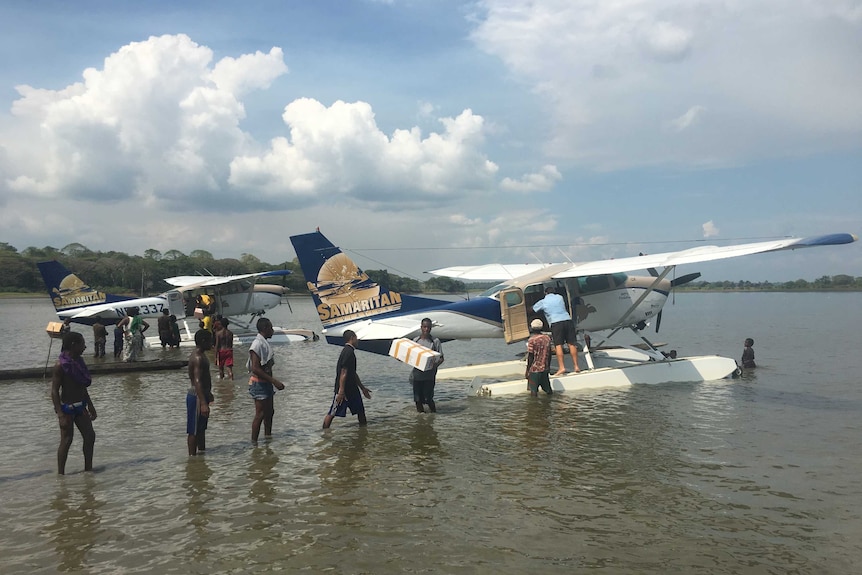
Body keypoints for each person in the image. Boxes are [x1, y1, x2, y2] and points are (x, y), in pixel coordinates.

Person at [51, 331, 97, 474]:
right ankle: (61, 475)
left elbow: (82, 385)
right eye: (82, 344)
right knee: (67, 440)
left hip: (80, 405)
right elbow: (54, 391)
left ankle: (88, 470)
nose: (84, 347)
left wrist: (90, 405)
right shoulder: (60, 365)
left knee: (90, 436)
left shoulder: (79, 362)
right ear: (73, 345)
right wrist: (60, 414)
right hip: (67, 409)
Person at [323, 330, 372, 429]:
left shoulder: (350, 352)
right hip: (344, 391)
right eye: (356, 338)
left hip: (352, 389)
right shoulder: (348, 352)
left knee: (360, 411)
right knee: (332, 412)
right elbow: (343, 372)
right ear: (352, 338)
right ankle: (324, 432)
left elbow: (352, 373)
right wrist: (341, 391)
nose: (357, 340)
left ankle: (363, 433)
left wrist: (362, 388)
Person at [247, 317, 285, 442]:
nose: (272, 330)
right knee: (260, 415)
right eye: (270, 328)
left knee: (269, 412)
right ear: (265, 329)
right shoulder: (257, 344)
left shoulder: (263, 342)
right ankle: (254, 443)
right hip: (259, 384)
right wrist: (275, 381)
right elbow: (255, 368)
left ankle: (268, 439)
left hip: (266, 384)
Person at [532, 286, 580, 375]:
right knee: (571, 344)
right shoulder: (560, 297)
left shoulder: (543, 301)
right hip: (567, 320)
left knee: (558, 345)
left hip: (556, 323)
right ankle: (576, 366)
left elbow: (534, 309)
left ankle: (562, 368)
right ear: (554, 292)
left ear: (545, 293)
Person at [187, 329, 214, 456]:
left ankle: (202, 455)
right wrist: (203, 402)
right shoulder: (198, 358)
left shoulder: (202, 355)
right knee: (194, 430)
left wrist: (208, 393)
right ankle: (192, 458)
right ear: (203, 341)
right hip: (197, 397)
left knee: (201, 428)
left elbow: (204, 379)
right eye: (210, 340)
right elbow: (197, 381)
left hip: (203, 395)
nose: (212, 343)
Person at [410, 318, 444, 413]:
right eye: (424, 327)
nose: (426, 329)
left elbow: (441, 358)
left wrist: (434, 365)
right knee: (417, 400)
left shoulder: (435, 341)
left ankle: (433, 415)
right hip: (417, 376)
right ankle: (420, 419)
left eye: (428, 327)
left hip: (429, 376)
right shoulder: (415, 341)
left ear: (431, 328)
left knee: (428, 399)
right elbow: (410, 356)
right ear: (421, 327)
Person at [525, 318, 553, 397]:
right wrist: (548, 366)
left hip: (534, 370)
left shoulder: (532, 340)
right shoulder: (547, 338)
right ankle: (549, 406)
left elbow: (531, 356)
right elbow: (549, 354)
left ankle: (535, 408)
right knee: (548, 391)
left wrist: (528, 370)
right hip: (544, 368)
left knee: (533, 392)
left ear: (532, 328)